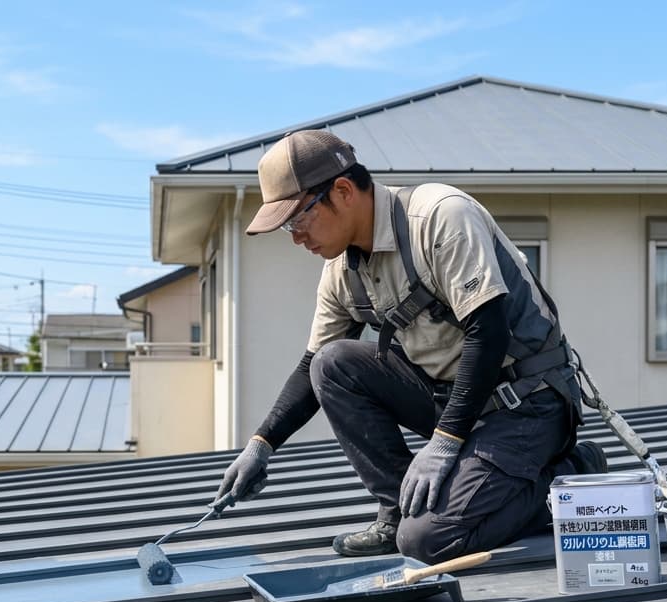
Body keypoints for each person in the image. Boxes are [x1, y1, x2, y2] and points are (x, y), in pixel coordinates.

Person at [215, 130, 605, 564]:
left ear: (342, 191)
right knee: (332, 363)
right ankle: (398, 509)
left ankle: (573, 471)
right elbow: (312, 367)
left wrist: (443, 443)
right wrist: (261, 445)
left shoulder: (440, 217)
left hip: (526, 404)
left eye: (298, 219)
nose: (296, 237)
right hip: (459, 400)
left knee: (427, 542)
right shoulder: (341, 270)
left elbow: (488, 333)